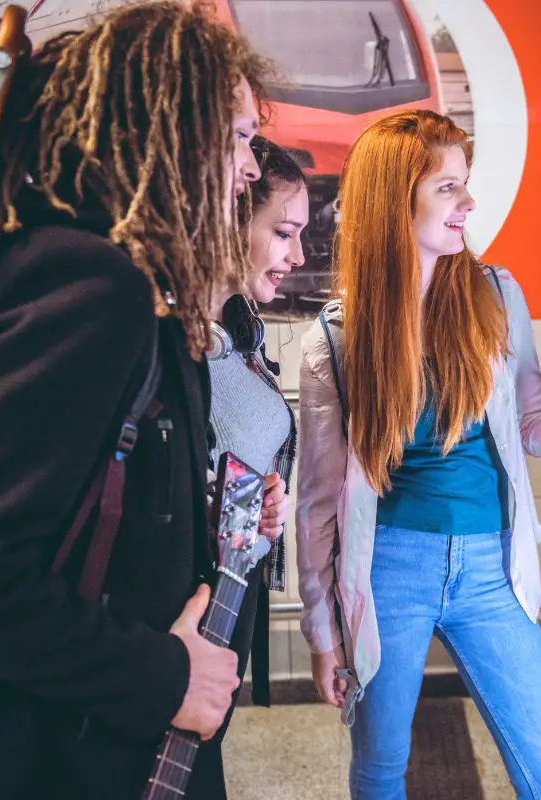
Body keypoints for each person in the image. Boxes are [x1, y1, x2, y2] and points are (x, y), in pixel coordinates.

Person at [0, 4, 270, 797]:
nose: (251, 166)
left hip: (107, 742)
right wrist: (165, 677)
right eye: (236, 136)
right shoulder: (94, 285)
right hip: (59, 757)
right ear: (174, 132)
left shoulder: (137, 283)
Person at [295, 109, 541, 799]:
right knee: (379, 772)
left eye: (466, 184)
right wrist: (321, 632)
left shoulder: (496, 296)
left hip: (489, 569)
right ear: (396, 202)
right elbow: (314, 508)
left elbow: (528, 422)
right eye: (447, 188)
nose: (469, 203)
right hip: (390, 570)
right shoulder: (333, 341)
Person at [197, 135, 308, 784]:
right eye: (283, 231)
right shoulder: (177, 338)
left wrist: (260, 500)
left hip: (230, 585)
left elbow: (224, 461)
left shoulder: (240, 328)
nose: (296, 254)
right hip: (187, 606)